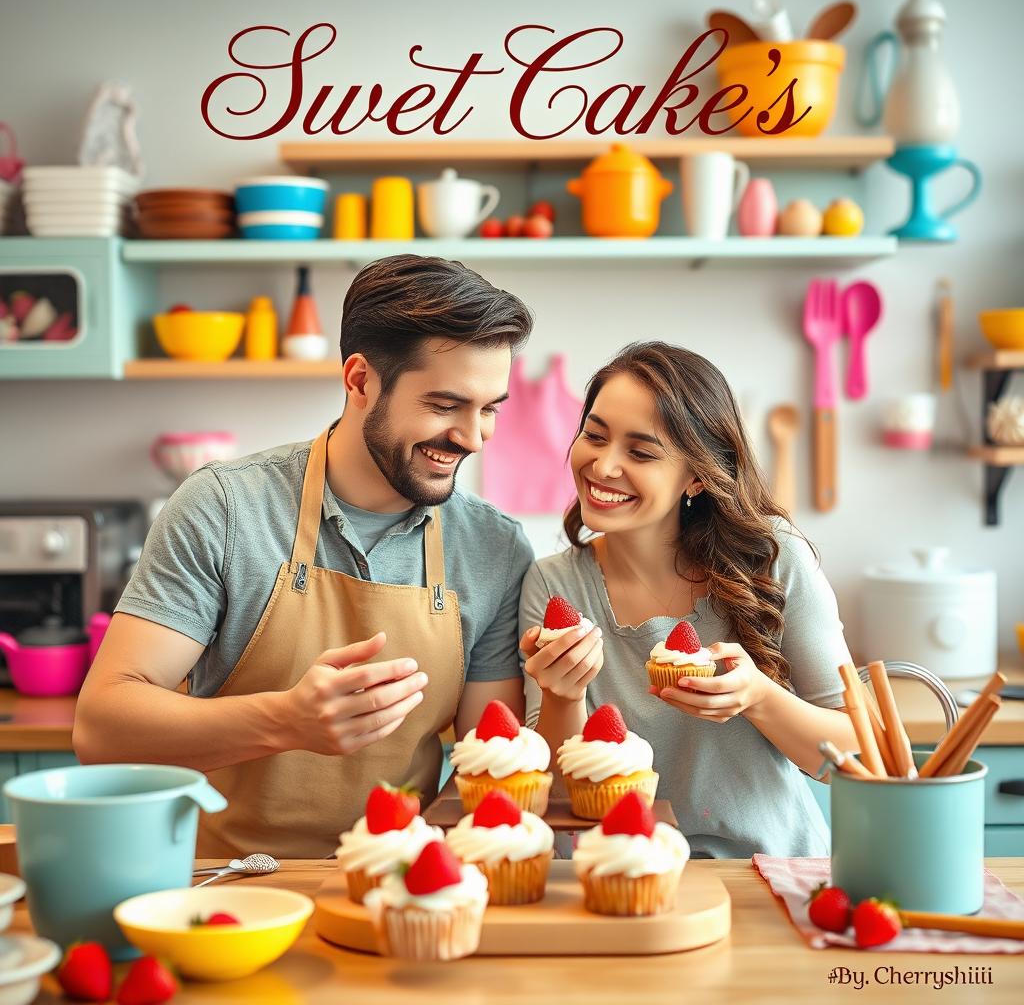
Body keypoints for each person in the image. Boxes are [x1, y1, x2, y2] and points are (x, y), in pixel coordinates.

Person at [74, 254, 558, 859]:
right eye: (444, 405)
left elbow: (490, 770)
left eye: (489, 409)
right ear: (360, 381)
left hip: (405, 888)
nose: (473, 437)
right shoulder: (224, 508)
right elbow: (100, 728)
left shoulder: (494, 546)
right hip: (227, 879)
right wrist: (283, 721)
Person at [519, 341, 859, 858]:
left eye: (640, 452)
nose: (603, 466)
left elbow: (859, 756)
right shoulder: (553, 586)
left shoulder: (771, 556)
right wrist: (564, 697)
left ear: (696, 476)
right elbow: (555, 798)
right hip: (619, 880)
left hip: (766, 872)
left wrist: (759, 698)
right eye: (594, 435)